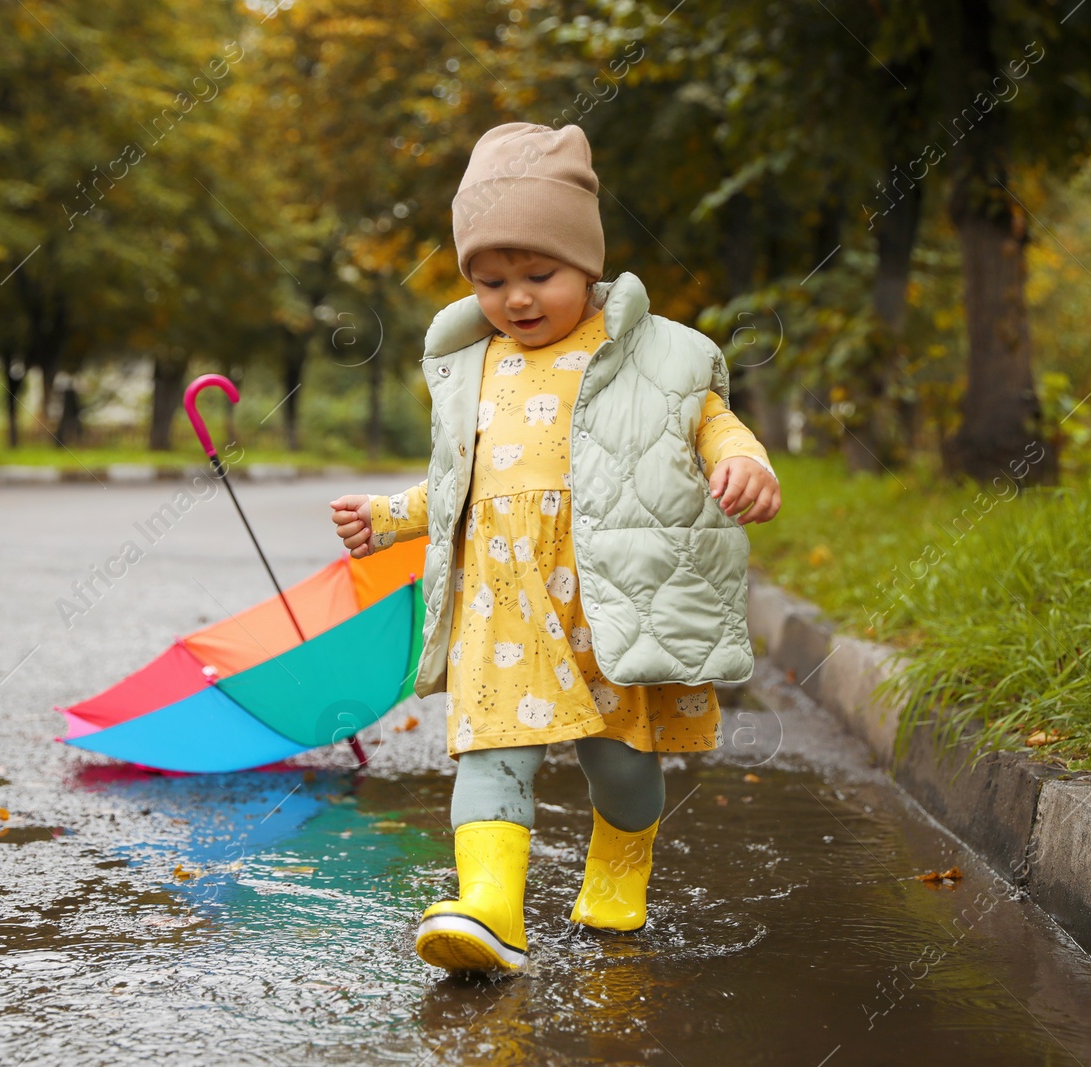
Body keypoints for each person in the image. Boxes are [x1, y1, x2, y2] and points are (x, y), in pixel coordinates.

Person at [328, 121, 780, 976]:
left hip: (609, 604)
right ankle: (489, 908)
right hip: (505, 608)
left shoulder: (655, 356)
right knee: (490, 751)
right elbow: (463, 483)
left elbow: (713, 426)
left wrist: (745, 464)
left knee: (622, 771)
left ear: (588, 265)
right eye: (491, 281)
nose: (517, 299)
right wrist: (388, 515)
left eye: (540, 274)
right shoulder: (476, 365)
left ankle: (620, 857)